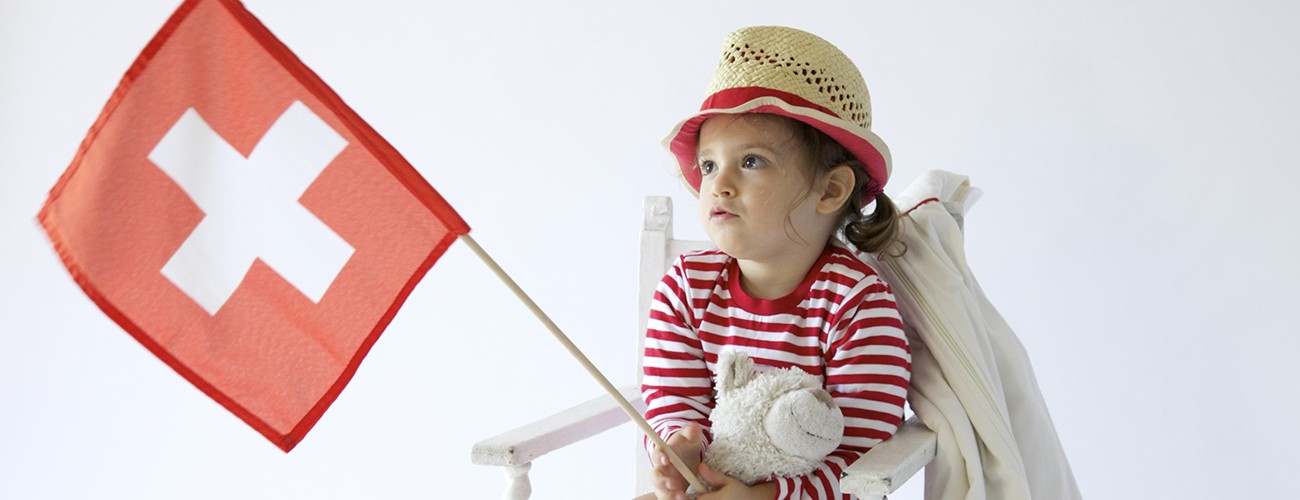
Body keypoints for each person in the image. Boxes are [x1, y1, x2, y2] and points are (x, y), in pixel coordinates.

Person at [642, 26, 912, 500]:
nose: (719, 184)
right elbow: (675, 400)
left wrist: (765, 497)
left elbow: (862, 458)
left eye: (750, 162)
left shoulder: (857, 305)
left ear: (830, 190)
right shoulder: (686, 286)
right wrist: (681, 444)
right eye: (708, 165)